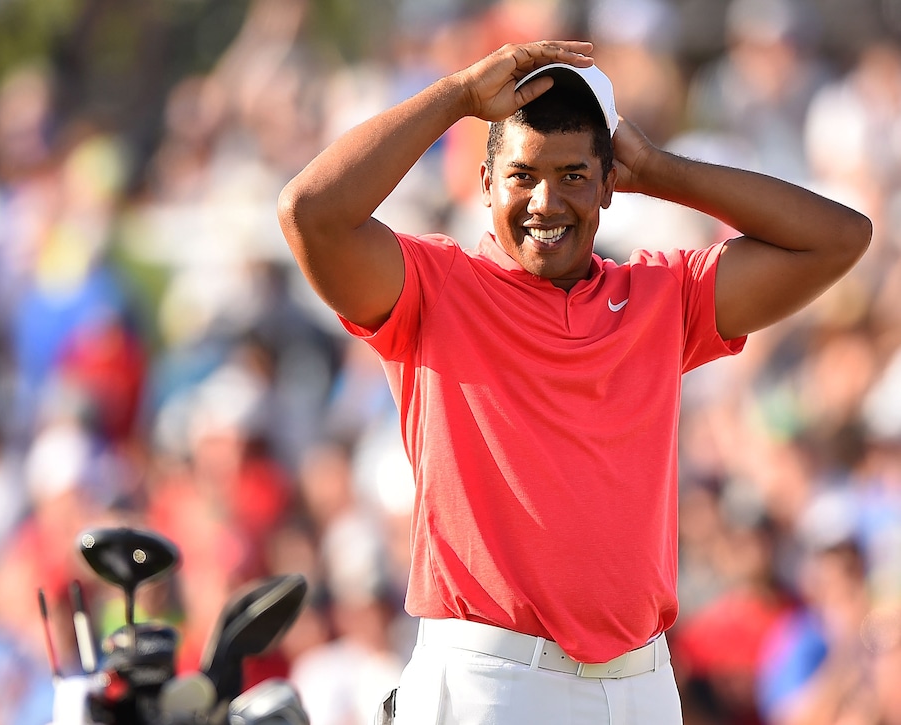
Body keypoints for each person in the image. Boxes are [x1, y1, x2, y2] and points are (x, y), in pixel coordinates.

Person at [276, 40, 871, 725]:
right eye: (522, 174)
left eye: (573, 174)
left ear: (607, 184)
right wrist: (459, 95)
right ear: (485, 180)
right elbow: (308, 212)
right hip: (486, 679)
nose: (545, 200)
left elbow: (839, 238)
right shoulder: (434, 290)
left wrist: (657, 167)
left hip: (640, 680)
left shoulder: (661, 294)